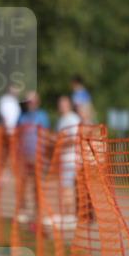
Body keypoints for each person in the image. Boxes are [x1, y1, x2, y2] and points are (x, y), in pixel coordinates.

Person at [16, 90, 50, 224]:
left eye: (32, 101)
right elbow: (18, 137)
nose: (30, 104)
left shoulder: (42, 116)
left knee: (37, 187)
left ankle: (39, 213)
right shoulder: (22, 118)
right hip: (24, 157)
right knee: (22, 185)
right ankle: (23, 212)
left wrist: (45, 155)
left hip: (38, 156)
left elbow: (46, 136)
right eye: (28, 102)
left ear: (37, 102)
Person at [55, 94, 81, 224]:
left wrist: (60, 142)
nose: (61, 106)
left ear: (69, 104)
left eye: (64, 103)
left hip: (72, 158)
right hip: (63, 159)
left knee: (69, 188)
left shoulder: (73, 119)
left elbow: (75, 138)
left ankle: (70, 216)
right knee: (65, 187)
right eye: (60, 104)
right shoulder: (61, 120)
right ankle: (68, 214)